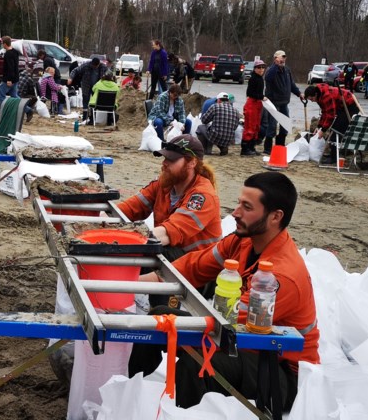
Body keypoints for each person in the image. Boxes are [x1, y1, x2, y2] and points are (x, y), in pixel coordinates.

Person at [129, 171, 319, 411]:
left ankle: (178, 415)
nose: (235, 213)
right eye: (239, 203)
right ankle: (133, 398)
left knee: (198, 360)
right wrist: (134, 283)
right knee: (158, 319)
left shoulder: (281, 276)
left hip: (280, 371)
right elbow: (195, 266)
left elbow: (223, 328)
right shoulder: (244, 240)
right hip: (245, 342)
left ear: (275, 217)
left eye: (247, 207)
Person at [116, 134, 222, 305]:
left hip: (202, 272)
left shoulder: (203, 196)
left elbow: (168, 233)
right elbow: (128, 209)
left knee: (156, 249)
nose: (164, 163)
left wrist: (121, 241)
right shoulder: (164, 184)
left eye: (171, 160)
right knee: (141, 250)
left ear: (192, 163)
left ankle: (161, 313)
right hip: (175, 258)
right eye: (164, 157)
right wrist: (99, 223)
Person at [303, 83, 360, 164]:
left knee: (337, 130)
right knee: (336, 128)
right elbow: (324, 112)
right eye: (310, 99)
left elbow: (330, 116)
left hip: (350, 105)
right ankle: (336, 153)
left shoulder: (326, 96)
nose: (312, 101)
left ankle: (334, 157)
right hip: (341, 107)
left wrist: (323, 130)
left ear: (315, 94)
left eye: (312, 98)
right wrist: (319, 126)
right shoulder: (319, 96)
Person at [263, 50, 304, 153]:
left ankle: (280, 145)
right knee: (272, 126)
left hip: (284, 102)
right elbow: (268, 78)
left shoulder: (287, 70)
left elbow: (292, 85)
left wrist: (299, 93)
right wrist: (276, 65)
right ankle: (267, 148)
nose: (283, 60)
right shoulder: (271, 70)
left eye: (284, 57)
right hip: (273, 103)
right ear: (275, 59)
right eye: (281, 58)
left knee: (285, 125)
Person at [69, 57, 108, 122]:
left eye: (96, 66)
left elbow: (109, 74)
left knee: (95, 103)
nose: (94, 67)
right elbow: (75, 70)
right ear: (91, 63)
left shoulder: (103, 67)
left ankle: (93, 118)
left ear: (98, 64)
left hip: (96, 88)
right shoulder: (86, 65)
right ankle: (84, 118)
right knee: (85, 102)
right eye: (93, 65)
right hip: (86, 86)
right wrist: (71, 78)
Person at [241, 60, 266, 156]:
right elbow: (250, 93)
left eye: (262, 67)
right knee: (249, 127)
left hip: (257, 104)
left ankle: (252, 147)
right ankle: (245, 149)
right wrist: (261, 97)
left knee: (256, 127)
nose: (261, 69)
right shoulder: (253, 79)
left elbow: (258, 93)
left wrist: (261, 97)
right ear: (255, 69)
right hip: (252, 104)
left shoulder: (260, 79)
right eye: (259, 68)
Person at [0, 35, 19, 106]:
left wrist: (9, 80)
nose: (2, 45)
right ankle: (27, 109)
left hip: (9, 79)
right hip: (15, 78)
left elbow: (10, 68)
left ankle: (2, 111)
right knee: (14, 96)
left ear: (5, 44)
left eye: (2, 43)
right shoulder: (15, 52)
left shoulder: (8, 54)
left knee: (1, 94)